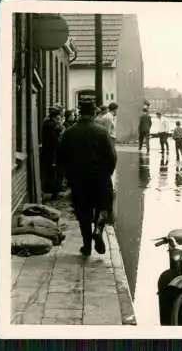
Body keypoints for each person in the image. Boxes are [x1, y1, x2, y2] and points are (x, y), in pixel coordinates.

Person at [57, 100, 116, 257]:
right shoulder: (101, 132)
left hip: (79, 180)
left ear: (80, 112)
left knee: (83, 212)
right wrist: (107, 173)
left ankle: (87, 246)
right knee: (104, 205)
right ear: (93, 113)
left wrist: (69, 176)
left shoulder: (69, 133)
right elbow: (112, 157)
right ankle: (98, 229)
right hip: (100, 178)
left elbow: (61, 158)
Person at [41, 106, 65, 200]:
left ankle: (55, 192)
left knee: (54, 172)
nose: (59, 119)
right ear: (54, 117)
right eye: (58, 117)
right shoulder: (51, 124)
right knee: (54, 172)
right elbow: (60, 131)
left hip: (51, 151)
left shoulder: (48, 123)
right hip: (52, 152)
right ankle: (54, 193)